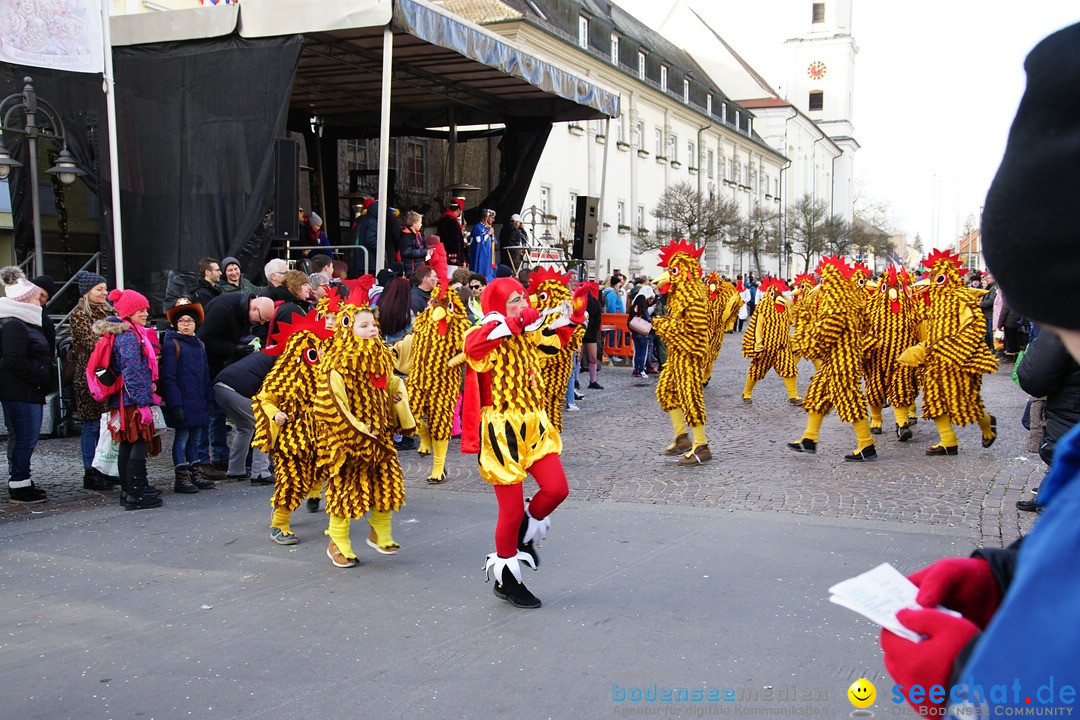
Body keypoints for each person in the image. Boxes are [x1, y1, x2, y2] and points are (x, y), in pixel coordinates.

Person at [881, 25, 1080, 716]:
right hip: (925, 369)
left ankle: (968, 425)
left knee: (956, 409)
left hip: (952, 373)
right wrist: (1003, 576)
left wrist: (969, 682)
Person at [463, 277, 582, 608]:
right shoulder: (487, 333)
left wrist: (573, 317)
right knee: (510, 511)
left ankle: (527, 530)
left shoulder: (528, 336)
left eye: (523, 298)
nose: (522, 304)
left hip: (535, 424)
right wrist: (512, 322)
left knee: (557, 489)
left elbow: (555, 339)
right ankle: (507, 581)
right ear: (499, 305)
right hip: (502, 431)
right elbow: (473, 347)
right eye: (514, 299)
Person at [314, 303, 415, 568]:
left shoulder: (380, 355)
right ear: (348, 328)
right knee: (345, 491)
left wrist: (394, 396)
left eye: (373, 325)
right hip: (347, 439)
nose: (371, 330)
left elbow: (388, 382)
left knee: (388, 484)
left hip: (379, 435)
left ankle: (379, 531)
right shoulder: (335, 364)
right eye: (364, 326)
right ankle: (336, 541)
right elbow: (332, 405)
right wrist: (358, 432)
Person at [95, 288, 163, 510]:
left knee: (127, 443)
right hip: (132, 400)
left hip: (124, 399)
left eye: (145, 309)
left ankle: (129, 491)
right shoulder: (129, 336)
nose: (145, 313)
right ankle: (137, 492)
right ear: (128, 313)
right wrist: (143, 403)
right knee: (139, 442)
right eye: (139, 310)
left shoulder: (126, 334)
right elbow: (132, 371)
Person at [196, 293, 275, 474]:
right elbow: (204, 339)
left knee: (244, 426)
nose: (260, 324)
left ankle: (236, 467)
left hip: (225, 370)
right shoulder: (224, 307)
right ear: (253, 308)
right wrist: (235, 349)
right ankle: (215, 459)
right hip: (211, 369)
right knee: (217, 416)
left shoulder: (242, 312)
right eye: (261, 319)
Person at [0, 268, 51, 503]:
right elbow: (13, 359)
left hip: (25, 390)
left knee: (22, 438)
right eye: (35, 295)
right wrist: (41, 375)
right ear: (24, 299)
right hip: (21, 392)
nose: (39, 299)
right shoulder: (15, 324)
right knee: (24, 439)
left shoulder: (24, 323)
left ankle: (22, 481)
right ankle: (19, 486)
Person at [1014, 330, 1080, 512]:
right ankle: (1048, 493)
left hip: (1071, 408)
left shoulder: (1067, 316)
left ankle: (1055, 497)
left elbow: (1035, 377)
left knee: (1067, 454)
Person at [69, 271, 118, 491]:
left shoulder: (111, 311)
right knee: (91, 424)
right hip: (89, 376)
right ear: (87, 292)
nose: (104, 292)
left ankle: (104, 468)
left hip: (109, 374)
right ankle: (90, 471)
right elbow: (93, 344)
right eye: (99, 289)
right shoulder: (79, 315)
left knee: (107, 424)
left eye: (105, 288)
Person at [160, 301, 215, 494]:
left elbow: (205, 374)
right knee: (182, 438)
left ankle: (195, 472)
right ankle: (181, 476)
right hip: (182, 399)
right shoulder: (171, 344)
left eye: (190, 321)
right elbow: (168, 377)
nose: (186, 324)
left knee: (196, 439)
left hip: (198, 399)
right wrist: (175, 405)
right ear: (175, 324)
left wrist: (209, 399)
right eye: (182, 321)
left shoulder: (199, 344)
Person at [628, 283, 655, 379]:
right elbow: (648, 319)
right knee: (643, 353)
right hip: (643, 334)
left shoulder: (633, 308)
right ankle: (640, 370)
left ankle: (635, 370)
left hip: (635, 334)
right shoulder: (644, 309)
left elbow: (629, 321)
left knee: (637, 353)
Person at [468, 209, 497, 281]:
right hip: (481, 256)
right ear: (487, 216)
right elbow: (478, 242)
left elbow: (494, 242)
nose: (493, 220)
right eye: (492, 217)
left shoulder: (489, 227)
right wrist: (488, 234)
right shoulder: (478, 227)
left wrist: (491, 234)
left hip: (489, 257)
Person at [437, 200, 466, 272]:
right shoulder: (451, 221)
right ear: (459, 209)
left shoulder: (445, 218)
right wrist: (453, 256)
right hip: (452, 257)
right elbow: (452, 240)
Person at [397, 211, 429, 275]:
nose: (421, 224)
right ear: (414, 223)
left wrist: (428, 250)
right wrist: (424, 252)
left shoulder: (419, 234)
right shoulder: (406, 236)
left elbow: (423, 246)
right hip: (411, 269)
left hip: (419, 266)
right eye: (420, 222)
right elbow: (407, 252)